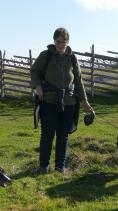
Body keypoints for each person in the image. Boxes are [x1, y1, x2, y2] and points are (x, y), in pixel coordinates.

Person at [30, 27, 94, 174]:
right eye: (59, 42)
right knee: (47, 134)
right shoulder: (46, 56)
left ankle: (60, 167)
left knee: (63, 135)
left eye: (64, 42)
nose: (61, 45)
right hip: (49, 101)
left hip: (69, 102)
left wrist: (85, 102)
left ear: (68, 42)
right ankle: (44, 166)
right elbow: (34, 71)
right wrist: (37, 86)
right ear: (54, 41)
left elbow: (78, 80)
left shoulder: (72, 58)